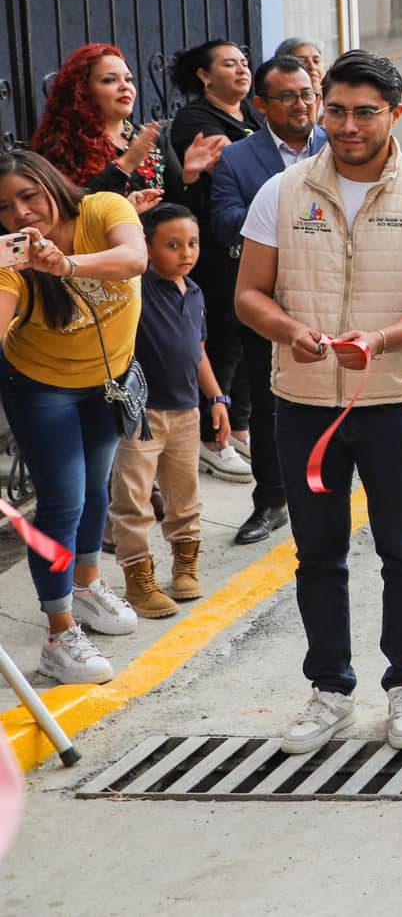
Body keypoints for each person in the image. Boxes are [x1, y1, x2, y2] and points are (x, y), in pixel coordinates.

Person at [236, 49, 402, 755]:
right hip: (303, 403)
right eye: (334, 109)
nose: (346, 125)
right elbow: (248, 295)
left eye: (365, 112)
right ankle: (330, 687)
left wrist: (381, 337)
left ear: (395, 114)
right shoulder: (282, 191)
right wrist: (290, 330)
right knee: (317, 552)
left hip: (393, 400)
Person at [0, 150, 147, 684]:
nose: (21, 213)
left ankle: (85, 588)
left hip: (106, 382)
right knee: (63, 502)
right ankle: (59, 634)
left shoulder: (102, 209)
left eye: (28, 195)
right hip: (43, 389)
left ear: (50, 184)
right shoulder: (11, 261)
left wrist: (64, 265)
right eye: (5, 207)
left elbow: (134, 260)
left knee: (97, 490)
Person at [209, 56, 329, 543]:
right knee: (268, 403)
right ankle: (272, 500)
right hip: (269, 301)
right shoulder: (238, 159)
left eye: (307, 94)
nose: (301, 105)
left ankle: (334, 485)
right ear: (261, 105)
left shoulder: (339, 145)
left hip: (337, 294)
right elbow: (223, 222)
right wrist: (295, 223)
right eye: (287, 97)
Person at [109, 203, 231, 618]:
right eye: (173, 244)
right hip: (141, 415)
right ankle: (138, 580)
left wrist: (216, 398)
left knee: (185, 497)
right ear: (146, 247)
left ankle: (185, 564)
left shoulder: (193, 291)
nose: (186, 253)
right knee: (133, 501)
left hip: (185, 412)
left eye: (192, 243)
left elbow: (197, 350)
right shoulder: (136, 285)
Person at [168, 40, 261, 483]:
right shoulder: (196, 119)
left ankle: (239, 427)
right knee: (223, 340)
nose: (242, 69)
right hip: (211, 241)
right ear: (204, 75)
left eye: (244, 62)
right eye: (229, 63)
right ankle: (212, 438)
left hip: (249, 239)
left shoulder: (252, 115)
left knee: (247, 337)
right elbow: (223, 167)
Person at [29, 43, 228, 211]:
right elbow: (71, 209)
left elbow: (182, 209)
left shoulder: (149, 139)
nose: (125, 86)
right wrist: (127, 163)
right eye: (109, 80)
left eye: (128, 79)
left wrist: (190, 175)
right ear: (82, 90)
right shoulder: (62, 143)